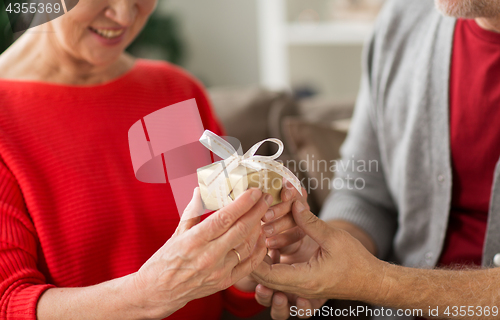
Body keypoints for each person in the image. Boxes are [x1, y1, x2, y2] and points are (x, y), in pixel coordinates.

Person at [0, 1, 273, 319]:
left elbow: (227, 285)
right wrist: (149, 294)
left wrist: (260, 255)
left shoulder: (171, 90)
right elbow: (9, 303)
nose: (125, 16)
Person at [253, 0, 500, 319]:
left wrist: (376, 282)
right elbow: (364, 191)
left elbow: (377, 283)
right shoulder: (402, 21)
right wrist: (327, 245)